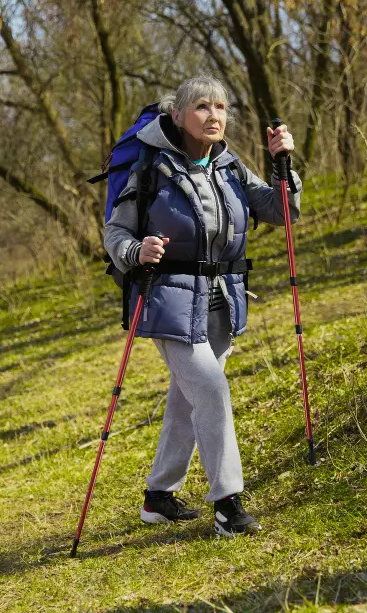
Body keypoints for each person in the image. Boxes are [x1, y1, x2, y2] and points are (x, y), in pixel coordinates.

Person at [104, 76, 301, 537]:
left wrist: (281, 166)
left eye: (221, 107)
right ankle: (228, 504)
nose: (214, 116)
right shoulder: (150, 169)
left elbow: (282, 211)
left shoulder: (230, 166)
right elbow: (115, 233)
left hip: (222, 302)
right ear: (178, 116)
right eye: (202, 107)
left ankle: (157, 497)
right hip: (168, 300)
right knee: (210, 390)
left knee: (186, 399)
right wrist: (138, 251)